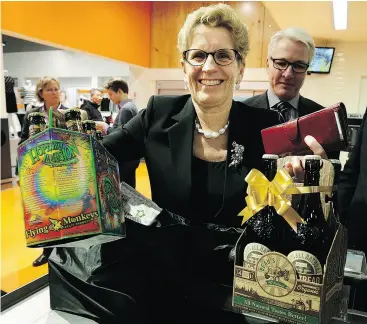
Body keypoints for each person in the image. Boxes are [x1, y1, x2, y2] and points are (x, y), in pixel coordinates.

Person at [101, 4, 326, 321]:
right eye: (198, 55)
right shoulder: (157, 114)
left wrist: (309, 179)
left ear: (240, 68)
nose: (209, 66)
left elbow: (290, 204)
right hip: (163, 285)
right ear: (184, 65)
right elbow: (96, 156)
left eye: (223, 55)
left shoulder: (264, 125)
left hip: (239, 292)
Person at [19, 76, 67, 267]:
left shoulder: (69, 114)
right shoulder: (32, 115)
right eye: (50, 90)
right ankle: (47, 250)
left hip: (64, 169)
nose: (54, 92)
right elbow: (23, 140)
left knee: (66, 210)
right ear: (41, 93)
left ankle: (66, 251)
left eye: (56, 89)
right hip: (40, 171)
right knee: (45, 211)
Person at [244, 27, 324, 122]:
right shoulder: (241, 113)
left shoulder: (321, 117)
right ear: (267, 64)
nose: (288, 74)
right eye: (281, 63)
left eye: (299, 66)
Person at [104, 78, 140, 188]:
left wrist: (105, 127)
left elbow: (121, 137)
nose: (110, 98)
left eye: (111, 94)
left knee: (125, 190)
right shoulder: (130, 106)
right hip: (131, 158)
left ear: (119, 91)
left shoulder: (126, 109)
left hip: (125, 159)